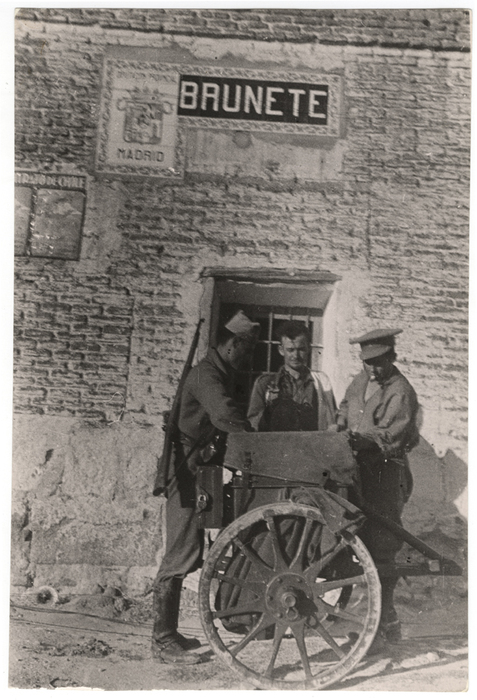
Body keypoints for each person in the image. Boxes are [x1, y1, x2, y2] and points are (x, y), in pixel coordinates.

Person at [151, 311, 260, 664]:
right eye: (245, 350)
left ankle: (169, 634)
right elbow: (225, 415)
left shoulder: (217, 371)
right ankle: (162, 639)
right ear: (232, 345)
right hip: (185, 472)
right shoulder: (207, 376)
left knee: (192, 548)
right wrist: (260, 443)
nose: (247, 359)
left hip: (200, 468)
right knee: (180, 551)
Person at [337, 328, 420, 652]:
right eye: (367, 362)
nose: (372, 369)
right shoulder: (361, 380)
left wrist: (363, 439)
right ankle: (386, 625)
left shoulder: (400, 391)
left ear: (392, 357)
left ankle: (380, 633)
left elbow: (392, 436)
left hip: (386, 476)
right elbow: (345, 407)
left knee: (382, 551)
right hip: (362, 475)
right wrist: (338, 425)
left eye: (379, 362)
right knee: (367, 551)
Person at [247, 320, 337, 432]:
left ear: (308, 348)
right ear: (281, 350)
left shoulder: (321, 382)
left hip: (312, 445)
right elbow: (254, 424)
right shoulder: (265, 384)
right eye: (290, 350)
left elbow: (331, 418)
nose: (296, 355)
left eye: (301, 349)